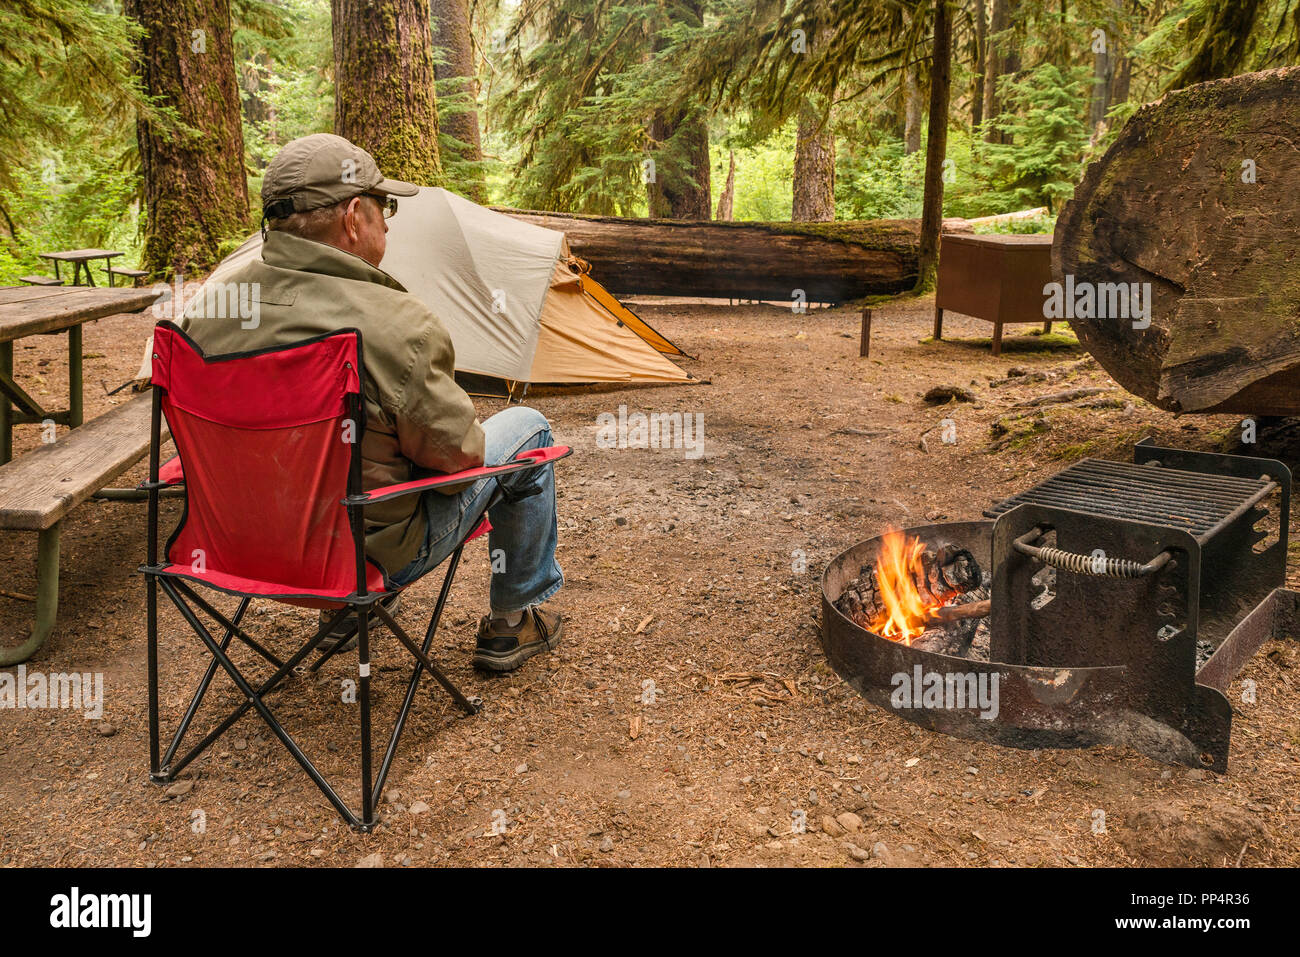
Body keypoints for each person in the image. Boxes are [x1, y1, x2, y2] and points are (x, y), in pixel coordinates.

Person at [180, 133, 563, 672]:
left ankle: (340, 618)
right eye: (386, 207)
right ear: (355, 217)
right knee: (528, 429)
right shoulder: (397, 324)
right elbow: (460, 466)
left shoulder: (209, 307)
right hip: (360, 557)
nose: (387, 221)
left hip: (231, 544)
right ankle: (510, 624)